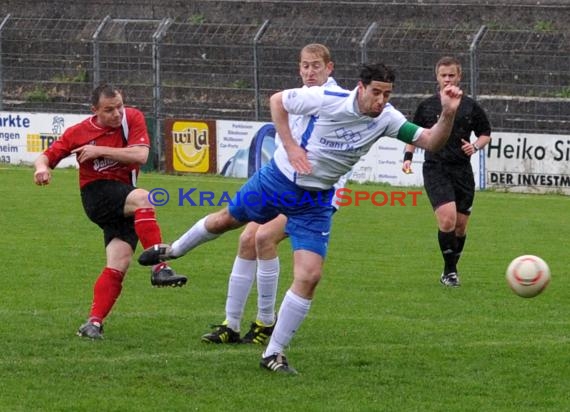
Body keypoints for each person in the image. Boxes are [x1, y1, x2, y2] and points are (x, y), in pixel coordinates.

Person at [138, 63, 463, 374]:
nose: (381, 101)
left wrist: (447, 113)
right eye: (376, 92)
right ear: (361, 87)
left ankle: (273, 352)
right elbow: (277, 101)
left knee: (309, 276)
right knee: (227, 222)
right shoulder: (328, 99)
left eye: (387, 94)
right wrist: (292, 147)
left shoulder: (388, 118)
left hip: (316, 201)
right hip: (278, 180)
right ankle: (173, 251)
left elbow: (432, 140)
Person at [201, 43, 346, 346]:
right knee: (245, 239)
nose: (309, 71)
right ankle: (231, 324)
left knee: (263, 238)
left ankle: (265, 322)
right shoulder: (296, 98)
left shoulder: (337, 101)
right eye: (305, 65)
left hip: (313, 195)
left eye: (316, 66)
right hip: (285, 185)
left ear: (329, 68)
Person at [33, 84, 187, 340]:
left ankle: (93, 323)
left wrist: (99, 150)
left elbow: (140, 155)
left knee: (119, 262)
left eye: (119, 107)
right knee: (144, 198)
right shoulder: (78, 132)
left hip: (123, 197)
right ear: (94, 110)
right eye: (109, 110)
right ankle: (160, 267)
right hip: (96, 194)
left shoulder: (132, 118)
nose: (117, 114)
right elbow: (45, 156)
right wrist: (42, 169)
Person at [402, 56, 491, 287]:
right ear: (437, 77)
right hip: (435, 168)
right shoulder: (427, 106)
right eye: (444, 75)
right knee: (447, 219)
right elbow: (413, 133)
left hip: (462, 170)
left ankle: (450, 270)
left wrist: (475, 146)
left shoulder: (471, 106)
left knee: (460, 227)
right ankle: (450, 273)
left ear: (459, 76)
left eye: (452, 75)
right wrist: (408, 157)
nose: (448, 79)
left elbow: (485, 133)